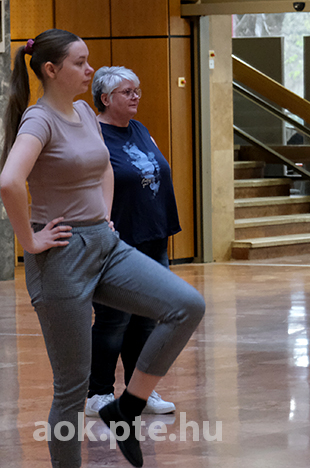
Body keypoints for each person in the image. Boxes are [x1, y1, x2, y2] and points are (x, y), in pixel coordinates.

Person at [0, 30, 206, 468]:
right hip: (61, 255)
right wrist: (29, 241)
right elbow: (9, 181)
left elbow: (105, 170)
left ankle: (126, 408)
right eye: (80, 62)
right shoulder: (39, 120)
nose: (89, 69)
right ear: (51, 70)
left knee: (186, 305)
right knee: (72, 389)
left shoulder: (82, 112)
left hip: (105, 242)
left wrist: (105, 215)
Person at [84, 67, 181, 418]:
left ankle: (139, 392)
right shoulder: (94, 135)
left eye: (137, 90)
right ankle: (98, 393)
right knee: (114, 319)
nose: (136, 96)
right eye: (127, 92)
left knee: (147, 319)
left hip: (153, 235)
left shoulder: (139, 129)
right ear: (106, 98)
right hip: (118, 241)